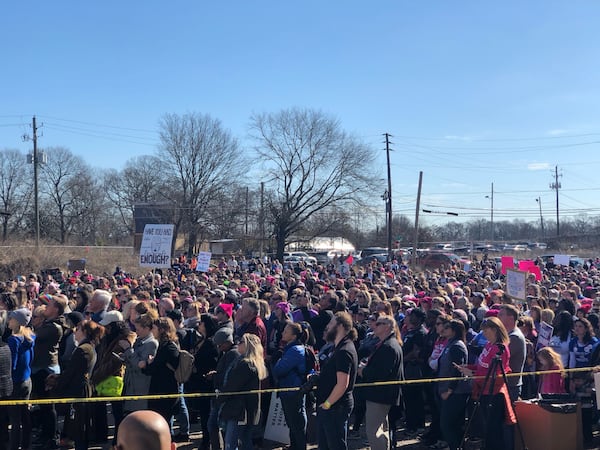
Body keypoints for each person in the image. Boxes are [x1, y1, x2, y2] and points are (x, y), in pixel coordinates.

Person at [456, 317, 515, 450]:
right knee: (486, 429)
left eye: (486, 330)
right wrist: (469, 367)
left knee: (493, 430)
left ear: (494, 329)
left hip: (494, 393)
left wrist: (472, 374)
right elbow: (482, 366)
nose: (484, 333)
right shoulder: (488, 345)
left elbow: (496, 373)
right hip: (483, 391)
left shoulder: (501, 348)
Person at [46, 320, 104, 450]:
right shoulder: (89, 347)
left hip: (79, 391)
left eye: (77, 329)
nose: (74, 332)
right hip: (82, 388)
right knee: (78, 428)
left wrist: (57, 383)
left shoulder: (83, 350)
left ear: (84, 332)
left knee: (79, 428)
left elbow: (72, 373)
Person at [358, 314, 403, 450]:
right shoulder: (386, 344)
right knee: (381, 429)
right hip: (382, 394)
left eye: (378, 324)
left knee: (374, 431)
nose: (374, 326)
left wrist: (363, 371)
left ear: (388, 327)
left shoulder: (389, 346)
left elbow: (381, 373)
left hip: (380, 395)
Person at [315, 311, 358, 450]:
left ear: (339, 326)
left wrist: (327, 405)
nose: (327, 327)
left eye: (331, 323)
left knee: (335, 445)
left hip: (335, 407)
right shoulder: (337, 347)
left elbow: (342, 384)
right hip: (331, 406)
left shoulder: (344, 351)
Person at [219, 333, 267, 450]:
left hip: (239, 410)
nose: (238, 344)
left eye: (241, 342)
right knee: (245, 440)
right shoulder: (254, 363)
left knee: (231, 443)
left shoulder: (245, 364)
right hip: (246, 410)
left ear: (248, 346)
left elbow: (233, 385)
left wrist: (220, 398)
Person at [272, 322, 308, 450]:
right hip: (289, 389)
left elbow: (279, 370)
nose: (283, 333)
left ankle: (299, 446)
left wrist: (277, 360)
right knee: (292, 422)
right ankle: (294, 446)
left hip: (292, 391)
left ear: (293, 336)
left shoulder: (294, 350)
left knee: (296, 423)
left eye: (286, 331)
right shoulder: (291, 349)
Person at [437, 320, 471, 450]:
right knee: (451, 424)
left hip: (456, 392)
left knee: (447, 424)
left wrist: (449, 390)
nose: (443, 329)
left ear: (454, 330)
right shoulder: (450, 344)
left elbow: (458, 370)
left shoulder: (457, 346)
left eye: (447, 327)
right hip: (447, 390)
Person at [142, 317, 180, 424]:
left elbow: (154, 368)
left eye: (154, 328)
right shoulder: (165, 345)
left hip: (164, 390)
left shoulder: (168, 347)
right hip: (162, 389)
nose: (152, 331)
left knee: (163, 422)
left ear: (162, 330)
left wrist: (147, 364)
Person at [6, 308, 35, 450]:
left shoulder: (14, 340)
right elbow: (31, 359)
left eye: (11, 318)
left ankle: (13, 446)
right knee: (25, 416)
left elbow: (13, 363)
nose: (8, 320)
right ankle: (26, 445)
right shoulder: (30, 337)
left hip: (16, 382)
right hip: (27, 380)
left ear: (17, 322)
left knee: (15, 419)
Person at [568, 317, 598, 444]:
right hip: (577, 378)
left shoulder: (595, 343)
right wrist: (571, 378)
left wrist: (586, 379)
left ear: (586, 328)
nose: (577, 328)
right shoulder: (573, 342)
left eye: (580, 326)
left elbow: (596, 363)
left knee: (588, 408)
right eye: (576, 326)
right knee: (579, 407)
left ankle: (588, 436)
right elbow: (572, 361)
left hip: (590, 378)